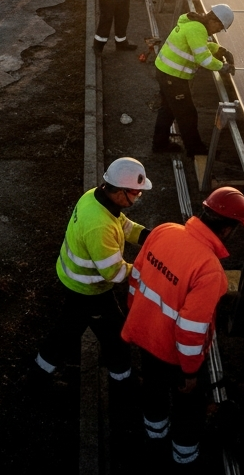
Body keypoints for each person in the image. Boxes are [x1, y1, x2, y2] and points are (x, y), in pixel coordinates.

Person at [123, 187, 244, 468]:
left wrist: (137, 316)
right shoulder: (209, 269)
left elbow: (136, 277)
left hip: (144, 335)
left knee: (153, 391)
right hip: (176, 356)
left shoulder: (164, 230)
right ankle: (184, 458)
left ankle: (154, 439)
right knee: (189, 408)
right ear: (228, 229)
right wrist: (189, 372)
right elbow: (191, 331)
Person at [34, 157, 153, 388]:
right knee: (115, 337)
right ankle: (124, 383)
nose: (138, 197)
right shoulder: (99, 225)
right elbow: (115, 273)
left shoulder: (96, 197)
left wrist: (153, 237)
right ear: (120, 192)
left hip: (76, 281)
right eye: (136, 193)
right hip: (89, 291)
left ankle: (38, 375)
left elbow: (125, 226)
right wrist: (148, 269)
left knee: (66, 332)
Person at [151, 6, 235, 176]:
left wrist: (219, 50)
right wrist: (223, 67)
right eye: (219, 27)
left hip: (166, 71)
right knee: (187, 114)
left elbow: (199, 46)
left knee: (168, 110)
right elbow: (203, 59)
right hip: (173, 77)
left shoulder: (194, 24)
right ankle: (195, 150)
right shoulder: (197, 29)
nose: (218, 31)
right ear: (213, 20)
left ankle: (159, 144)